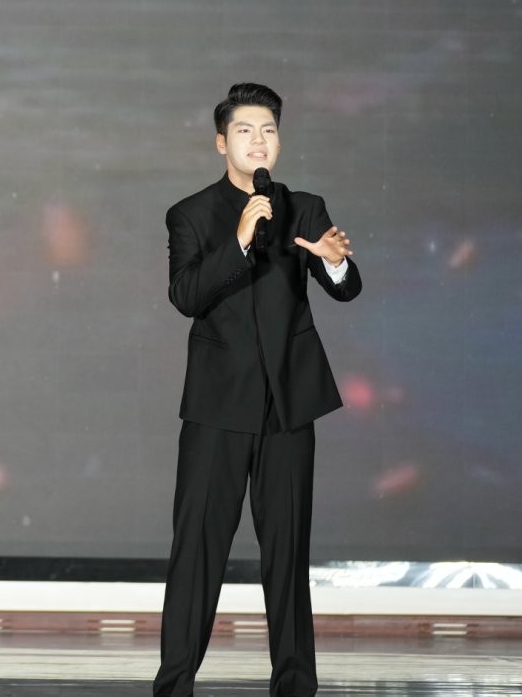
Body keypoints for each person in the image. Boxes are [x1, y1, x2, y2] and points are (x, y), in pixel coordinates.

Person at [153, 83, 361, 697]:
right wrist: (240, 240)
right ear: (222, 143)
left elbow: (346, 287)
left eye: (268, 130)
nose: (259, 140)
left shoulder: (305, 207)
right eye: (245, 130)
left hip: (289, 405)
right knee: (197, 549)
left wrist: (334, 262)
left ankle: (295, 685)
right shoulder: (190, 214)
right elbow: (185, 295)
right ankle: (174, 684)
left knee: (288, 553)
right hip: (217, 406)